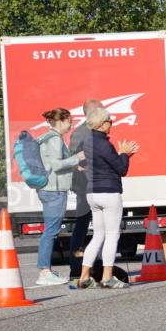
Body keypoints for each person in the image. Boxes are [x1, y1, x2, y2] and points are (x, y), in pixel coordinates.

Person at [77, 106, 138, 289]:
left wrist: (122, 155)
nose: (111, 124)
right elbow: (121, 169)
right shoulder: (104, 144)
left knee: (97, 236)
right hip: (109, 192)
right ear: (102, 124)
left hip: (92, 193)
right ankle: (107, 277)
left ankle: (84, 278)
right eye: (110, 121)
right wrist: (125, 154)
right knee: (112, 235)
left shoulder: (88, 141)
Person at [36, 108, 85, 286]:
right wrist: (77, 158)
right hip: (54, 190)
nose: (71, 124)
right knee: (51, 231)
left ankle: (45, 270)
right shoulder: (55, 139)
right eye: (69, 120)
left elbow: (51, 163)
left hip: (48, 188)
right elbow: (56, 165)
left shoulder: (46, 137)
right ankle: (44, 272)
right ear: (62, 121)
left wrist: (74, 166)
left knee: (50, 230)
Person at [68, 99, 103, 278]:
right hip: (85, 186)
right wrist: (84, 168)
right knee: (81, 225)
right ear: (92, 112)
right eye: (101, 108)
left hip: (99, 184)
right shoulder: (80, 133)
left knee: (100, 227)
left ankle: (96, 265)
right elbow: (73, 159)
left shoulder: (97, 131)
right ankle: (75, 268)